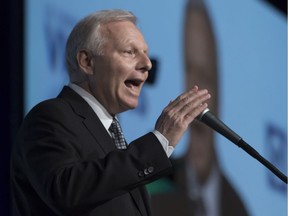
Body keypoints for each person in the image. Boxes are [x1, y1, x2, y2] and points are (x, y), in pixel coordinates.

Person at [10, 9, 211, 216]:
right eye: (130, 52)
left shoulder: (112, 136)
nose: (147, 64)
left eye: (146, 54)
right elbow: (66, 191)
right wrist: (159, 142)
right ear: (87, 62)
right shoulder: (50, 117)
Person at [151, 1, 249, 216]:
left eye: (205, 77)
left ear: (219, 87)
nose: (194, 91)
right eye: (189, 72)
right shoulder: (154, 181)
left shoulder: (238, 208)